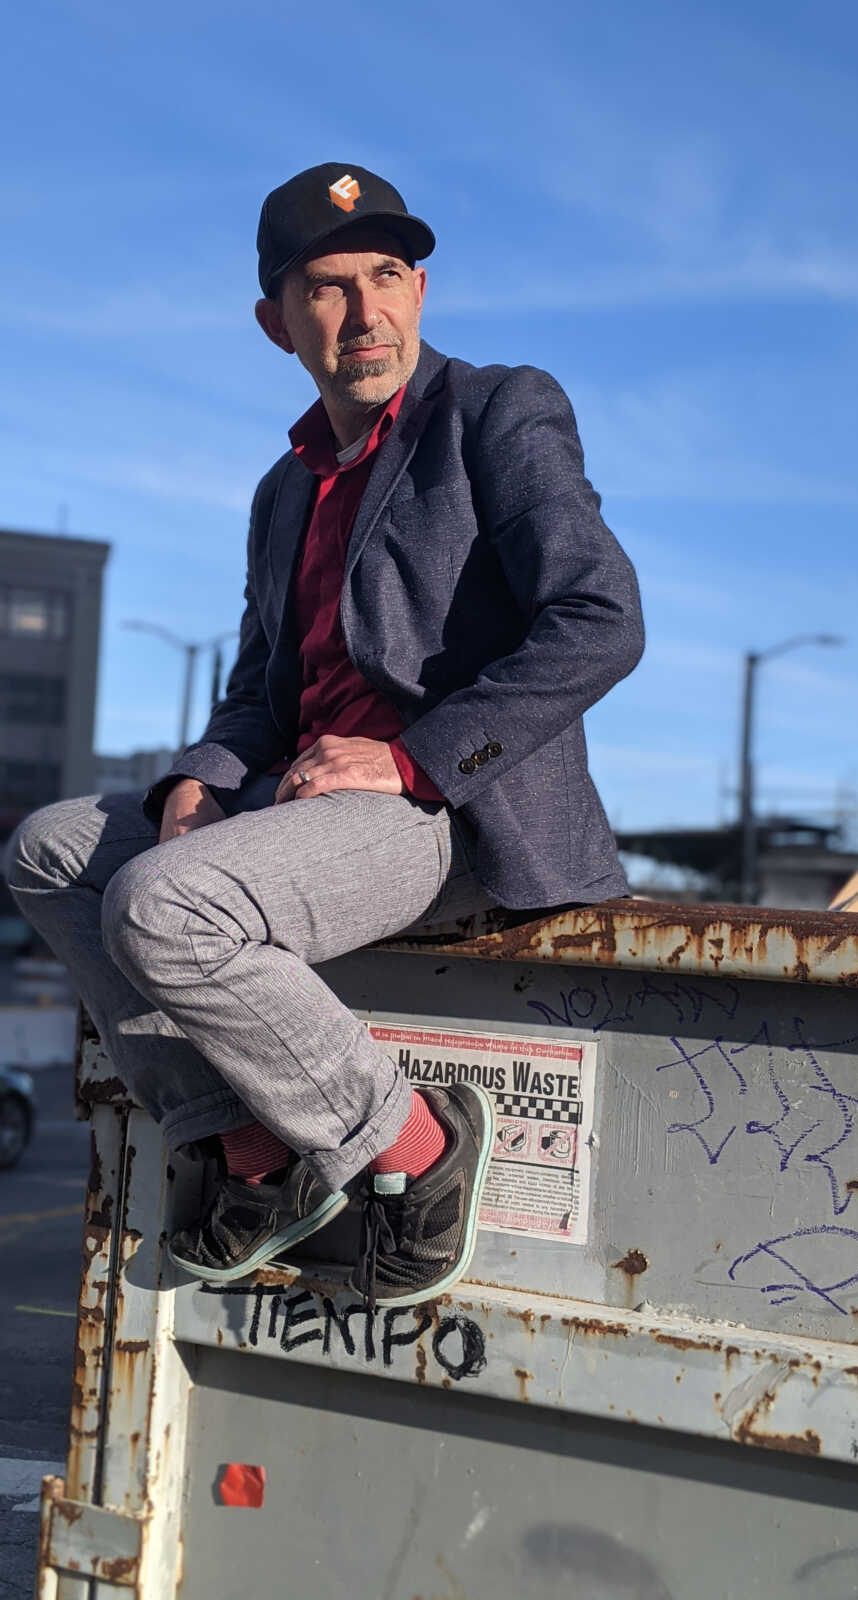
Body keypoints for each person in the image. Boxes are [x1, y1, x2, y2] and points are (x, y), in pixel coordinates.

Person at [6, 162, 644, 1309]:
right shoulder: (284, 490)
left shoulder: (498, 411)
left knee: (166, 906)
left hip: (443, 809)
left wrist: (412, 759)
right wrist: (198, 780)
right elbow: (262, 686)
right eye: (328, 287)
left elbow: (601, 621)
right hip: (300, 806)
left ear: (422, 289)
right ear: (276, 321)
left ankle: (414, 1147)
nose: (366, 314)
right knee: (51, 847)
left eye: (388, 277)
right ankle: (250, 1143)